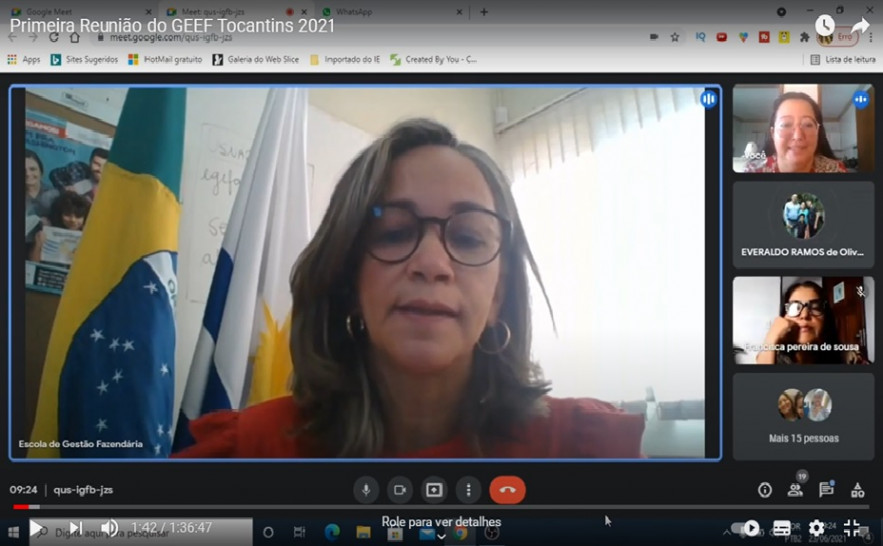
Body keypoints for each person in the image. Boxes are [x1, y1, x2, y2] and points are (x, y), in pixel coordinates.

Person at [174, 118, 645, 459]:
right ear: (348, 279)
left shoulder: (581, 451)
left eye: (468, 238)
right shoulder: (252, 451)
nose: (432, 264)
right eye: (395, 232)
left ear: (499, 295)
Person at [756, 281, 871, 365]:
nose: (804, 315)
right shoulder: (771, 357)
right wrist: (771, 338)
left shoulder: (849, 358)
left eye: (815, 307)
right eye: (795, 307)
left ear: (826, 318)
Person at [744, 92, 846, 173]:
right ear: (773, 133)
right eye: (786, 125)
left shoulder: (836, 171)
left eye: (808, 125)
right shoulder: (753, 172)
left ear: (817, 132)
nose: (798, 136)